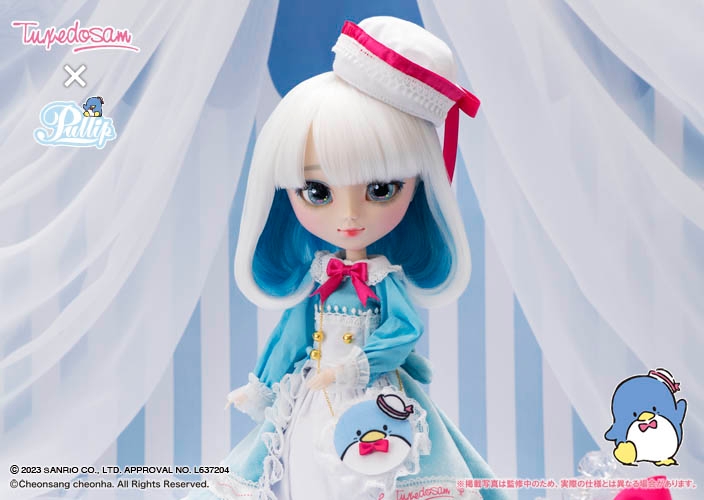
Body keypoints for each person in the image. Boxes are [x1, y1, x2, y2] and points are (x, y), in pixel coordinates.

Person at [189, 16, 505, 500]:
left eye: (381, 189)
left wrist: (356, 367)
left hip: (375, 394)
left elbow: (404, 331)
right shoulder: (322, 278)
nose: (351, 216)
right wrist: (264, 386)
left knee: (381, 473)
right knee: (301, 468)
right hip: (315, 394)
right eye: (318, 191)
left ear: (417, 187)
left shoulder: (381, 279)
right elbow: (291, 337)